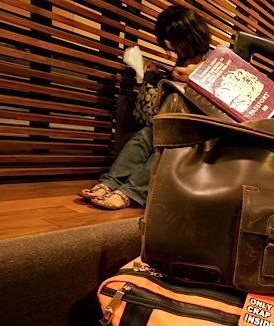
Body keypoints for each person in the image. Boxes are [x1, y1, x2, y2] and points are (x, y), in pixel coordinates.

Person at [78, 6, 211, 210]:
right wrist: (157, 75)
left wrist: (197, 78)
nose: (170, 46)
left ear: (191, 34)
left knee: (170, 140)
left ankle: (130, 192)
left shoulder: (217, 60)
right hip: (174, 119)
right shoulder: (183, 60)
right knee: (147, 133)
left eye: (173, 41)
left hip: (201, 128)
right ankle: (110, 183)